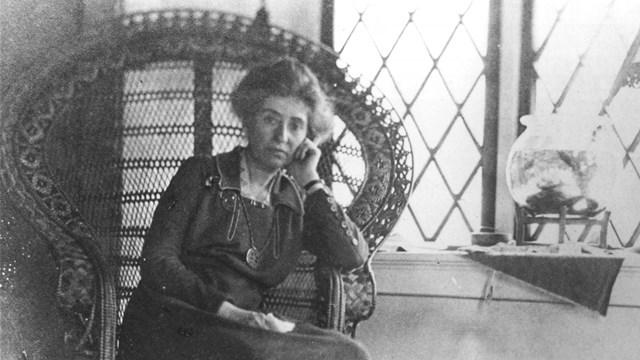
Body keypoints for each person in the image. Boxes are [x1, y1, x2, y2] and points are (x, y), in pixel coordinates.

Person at [117, 58, 371, 360]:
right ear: (248, 119)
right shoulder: (200, 174)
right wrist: (230, 313)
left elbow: (351, 255)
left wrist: (311, 181)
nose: (282, 136)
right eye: (270, 119)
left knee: (350, 353)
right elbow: (157, 261)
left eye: (296, 125)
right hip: (175, 318)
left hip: (245, 331)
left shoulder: (295, 202)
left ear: (308, 136)